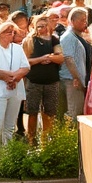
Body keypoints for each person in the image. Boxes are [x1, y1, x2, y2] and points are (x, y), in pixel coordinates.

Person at [0, 22, 28, 160]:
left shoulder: (17, 49)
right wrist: (10, 78)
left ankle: (7, 155)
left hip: (15, 90)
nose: (11, 34)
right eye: (8, 32)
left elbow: (25, 67)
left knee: (9, 126)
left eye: (13, 32)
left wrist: (15, 79)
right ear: (0, 33)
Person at [22, 15, 62, 143]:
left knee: (50, 112)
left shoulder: (54, 39)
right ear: (34, 26)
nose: (42, 28)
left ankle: (46, 141)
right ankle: (31, 140)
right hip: (34, 81)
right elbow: (24, 61)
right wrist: (40, 59)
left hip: (52, 81)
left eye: (45, 25)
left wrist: (49, 58)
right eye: (39, 26)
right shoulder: (29, 40)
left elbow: (60, 58)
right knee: (32, 112)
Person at [60, 8, 90, 121]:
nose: (85, 23)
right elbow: (68, 59)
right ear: (72, 20)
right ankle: (72, 137)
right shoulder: (68, 37)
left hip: (77, 80)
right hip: (72, 81)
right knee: (74, 113)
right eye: (82, 20)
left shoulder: (78, 36)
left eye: (86, 20)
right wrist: (77, 78)